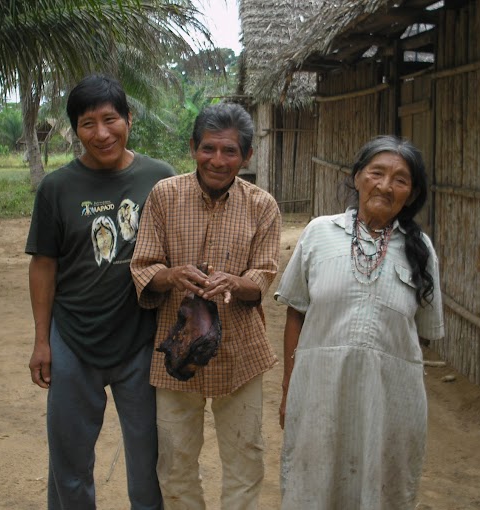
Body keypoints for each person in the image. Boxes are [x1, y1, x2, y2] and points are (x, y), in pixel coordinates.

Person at [26, 74, 175, 510]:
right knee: (69, 463)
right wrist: (41, 340)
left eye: (111, 119)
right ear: (75, 130)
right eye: (87, 123)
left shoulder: (159, 178)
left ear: (129, 119)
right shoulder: (56, 188)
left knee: (150, 463)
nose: (102, 133)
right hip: (72, 339)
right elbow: (43, 264)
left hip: (142, 341)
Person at [274, 135, 445, 509]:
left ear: (411, 193)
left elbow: (423, 334)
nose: (386, 185)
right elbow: (296, 311)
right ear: (357, 178)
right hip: (320, 390)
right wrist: (290, 388)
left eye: (400, 179)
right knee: (314, 482)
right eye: (377, 173)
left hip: (389, 399)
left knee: (381, 487)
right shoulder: (319, 233)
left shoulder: (421, 250)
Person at [130, 102, 281, 509]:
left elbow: (263, 276)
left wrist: (238, 282)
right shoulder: (165, 195)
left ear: (246, 156)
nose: (218, 160)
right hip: (175, 353)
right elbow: (143, 266)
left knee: (245, 461)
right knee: (176, 465)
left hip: (240, 354)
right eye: (209, 148)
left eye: (230, 151)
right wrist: (172, 275)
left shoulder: (262, 205)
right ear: (193, 148)